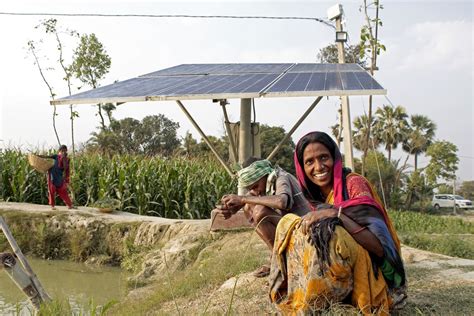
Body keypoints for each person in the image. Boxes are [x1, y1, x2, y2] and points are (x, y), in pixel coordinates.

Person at [269, 131, 407, 315]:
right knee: (290, 223)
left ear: (334, 158)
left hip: (374, 275)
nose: (318, 167)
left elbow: (380, 248)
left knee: (333, 233)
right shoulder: (316, 197)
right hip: (344, 274)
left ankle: (324, 302)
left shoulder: (354, 184)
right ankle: (311, 296)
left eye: (324, 157)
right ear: (302, 167)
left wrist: (337, 214)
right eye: (309, 161)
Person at [215, 157, 311, 277]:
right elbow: (249, 199)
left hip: (305, 229)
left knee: (261, 211)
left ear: (264, 174)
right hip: (291, 227)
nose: (256, 191)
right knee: (249, 206)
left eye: (255, 186)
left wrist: (242, 199)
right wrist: (231, 210)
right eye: (251, 189)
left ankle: (279, 263)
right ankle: (277, 258)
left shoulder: (281, 177)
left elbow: (282, 202)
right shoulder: (265, 182)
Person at [40, 145, 75, 210]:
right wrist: (39, 156)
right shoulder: (56, 157)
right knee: (52, 190)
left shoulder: (67, 159)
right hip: (52, 176)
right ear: (59, 151)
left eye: (64, 151)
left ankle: (70, 205)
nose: (63, 152)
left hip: (59, 177)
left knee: (63, 191)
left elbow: (66, 169)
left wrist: (67, 180)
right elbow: (47, 157)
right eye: (62, 151)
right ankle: (52, 205)